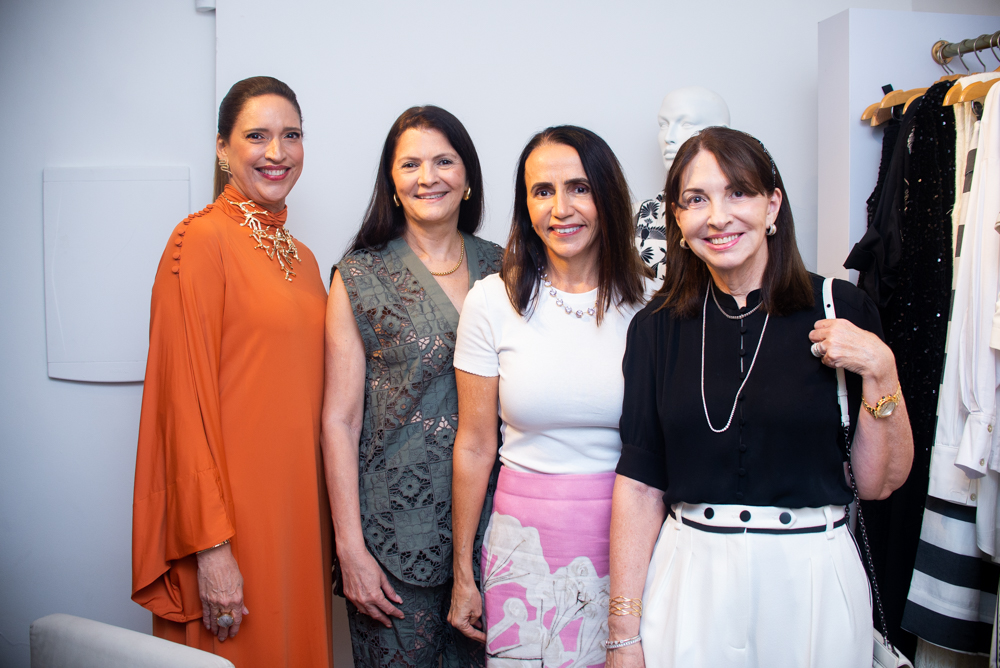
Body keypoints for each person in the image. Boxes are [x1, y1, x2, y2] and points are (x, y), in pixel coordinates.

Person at [607, 126, 914, 668]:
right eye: (696, 199)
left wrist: (881, 371)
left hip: (812, 578)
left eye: (738, 192)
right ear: (677, 219)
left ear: (773, 205)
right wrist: (623, 633)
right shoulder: (655, 327)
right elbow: (639, 485)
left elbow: (879, 483)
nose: (718, 216)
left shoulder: (841, 309)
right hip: (689, 578)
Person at [131, 76, 333, 667]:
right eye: (257, 136)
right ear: (222, 148)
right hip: (232, 523)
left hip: (298, 515)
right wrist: (212, 549)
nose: (277, 152)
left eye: (291, 135)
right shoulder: (199, 239)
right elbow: (180, 402)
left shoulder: (305, 259)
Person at [448, 126, 658, 667]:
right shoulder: (490, 301)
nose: (560, 209)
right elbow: (473, 446)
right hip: (523, 546)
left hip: (631, 541)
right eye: (542, 191)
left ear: (607, 197)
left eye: (579, 188)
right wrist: (463, 573)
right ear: (525, 206)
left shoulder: (651, 306)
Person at [322, 105, 502, 668]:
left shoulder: (509, 268)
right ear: (392, 184)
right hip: (393, 537)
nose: (429, 177)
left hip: (497, 533)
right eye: (411, 165)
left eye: (444, 161)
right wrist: (349, 547)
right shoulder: (357, 275)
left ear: (468, 178)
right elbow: (339, 420)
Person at [635, 86, 730, 280]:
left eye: (686, 124)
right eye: (663, 125)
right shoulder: (637, 217)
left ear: (723, 132)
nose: (669, 137)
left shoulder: (744, 215)